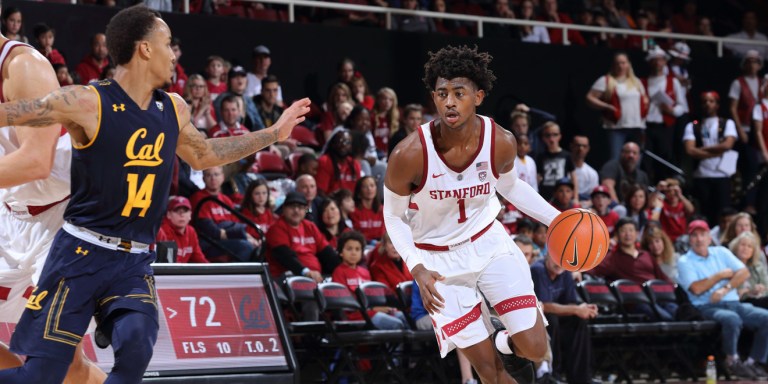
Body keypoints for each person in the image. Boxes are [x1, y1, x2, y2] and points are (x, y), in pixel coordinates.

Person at [0, 6, 310, 382]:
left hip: (132, 256)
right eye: (167, 44)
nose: (174, 54)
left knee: (137, 344)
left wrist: (272, 135)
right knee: (45, 374)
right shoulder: (87, 101)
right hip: (79, 247)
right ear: (145, 49)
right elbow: (21, 112)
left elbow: (206, 154)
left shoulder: (173, 108)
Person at [384, 45, 556, 383]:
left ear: (477, 96)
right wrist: (417, 268)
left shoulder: (501, 141)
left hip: (489, 245)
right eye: (442, 93)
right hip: (438, 263)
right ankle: (495, 348)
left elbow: (510, 187)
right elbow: (392, 217)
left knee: (535, 349)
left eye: (458, 93)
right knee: (490, 373)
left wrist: (557, 218)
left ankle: (504, 342)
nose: (449, 101)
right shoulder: (409, 154)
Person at [0, 17, 106, 384]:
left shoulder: (22, 66)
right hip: (10, 214)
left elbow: (35, 161)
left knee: (64, 364)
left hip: (63, 219)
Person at [677, 220, 768, 380]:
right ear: (689, 239)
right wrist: (719, 276)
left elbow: (744, 272)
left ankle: (753, 362)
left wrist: (725, 288)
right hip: (706, 306)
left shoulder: (721, 252)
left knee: (766, 317)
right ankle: (732, 360)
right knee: (731, 319)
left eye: (703, 235)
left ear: (709, 237)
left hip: (734, 302)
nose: (699, 239)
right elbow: (696, 288)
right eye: (695, 236)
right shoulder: (685, 261)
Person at [530, 255, 598, 384]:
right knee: (551, 319)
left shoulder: (565, 271)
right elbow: (545, 305)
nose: (559, 264)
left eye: (563, 261)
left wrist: (581, 309)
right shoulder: (538, 270)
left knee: (579, 320)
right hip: (537, 319)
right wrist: (576, 309)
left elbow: (571, 303)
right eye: (556, 259)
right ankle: (553, 375)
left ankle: (581, 378)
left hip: (556, 318)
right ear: (548, 256)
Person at [592, 218, 676, 320]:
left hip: (657, 297)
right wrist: (576, 271)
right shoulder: (612, 258)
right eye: (623, 231)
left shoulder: (646, 255)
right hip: (636, 302)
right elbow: (592, 268)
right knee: (666, 319)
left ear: (636, 234)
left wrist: (675, 289)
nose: (628, 234)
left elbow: (662, 278)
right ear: (617, 235)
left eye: (631, 230)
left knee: (679, 313)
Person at [332, 231, 409, 329]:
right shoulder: (339, 272)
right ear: (341, 252)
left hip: (371, 311)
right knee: (396, 324)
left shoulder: (365, 272)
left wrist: (378, 308)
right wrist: (373, 309)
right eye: (349, 249)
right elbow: (343, 301)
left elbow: (372, 296)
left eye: (357, 249)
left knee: (405, 318)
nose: (353, 252)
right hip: (355, 315)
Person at [683, 91, 737, 226]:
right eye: (704, 101)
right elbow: (690, 150)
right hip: (701, 175)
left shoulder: (727, 123)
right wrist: (716, 152)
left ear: (717, 104)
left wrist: (701, 150)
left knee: (724, 212)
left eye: (711, 101)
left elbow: (727, 144)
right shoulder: (693, 126)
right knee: (704, 211)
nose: (708, 104)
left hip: (722, 174)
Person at [586, 52, 649, 160]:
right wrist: (607, 106)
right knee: (615, 158)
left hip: (636, 127)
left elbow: (645, 99)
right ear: (613, 65)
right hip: (617, 127)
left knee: (636, 159)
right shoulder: (606, 80)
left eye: (623, 63)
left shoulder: (636, 82)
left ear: (628, 64)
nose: (621, 66)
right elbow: (590, 97)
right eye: (618, 63)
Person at [266, 191, 340, 281]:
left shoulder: (310, 226)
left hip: (314, 276)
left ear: (305, 210)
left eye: (300, 207)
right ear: (284, 209)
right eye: (292, 206)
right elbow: (285, 256)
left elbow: (327, 252)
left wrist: (342, 269)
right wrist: (305, 272)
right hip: (286, 277)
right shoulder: (276, 228)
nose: (296, 210)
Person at [156, 196, 209, 264]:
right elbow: (169, 264)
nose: (182, 215)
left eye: (185, 211)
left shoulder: (191, 231)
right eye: (177, 211)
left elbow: (199, 259)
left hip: (181, 273)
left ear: (190, 215)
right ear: (168, 214)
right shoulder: (162, 231)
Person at [729, 232, 768, 309]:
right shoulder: (729, 266)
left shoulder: (758, 266)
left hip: (758, 300)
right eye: (743, 245)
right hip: (740, 302)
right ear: (736, 247)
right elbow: (730, 292)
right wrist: (749, 292)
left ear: (753, 251)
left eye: (749, 246)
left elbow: (766, 288)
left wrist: (761, 289)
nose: (745, 248)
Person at [350, 176, 384, 244]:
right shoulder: (353, 210)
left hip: (381, 245)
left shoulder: (383, 210)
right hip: (360, 244)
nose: (369, 189)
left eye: (372, 185)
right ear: (359, 190)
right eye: (365, 186)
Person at [570, 135, 598, 203]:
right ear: (571, 146)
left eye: (584, 146)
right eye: (578, 145)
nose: (581, 149)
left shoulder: (592, 173)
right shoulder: (563, 169)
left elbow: (593, 196)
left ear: (588, 149)